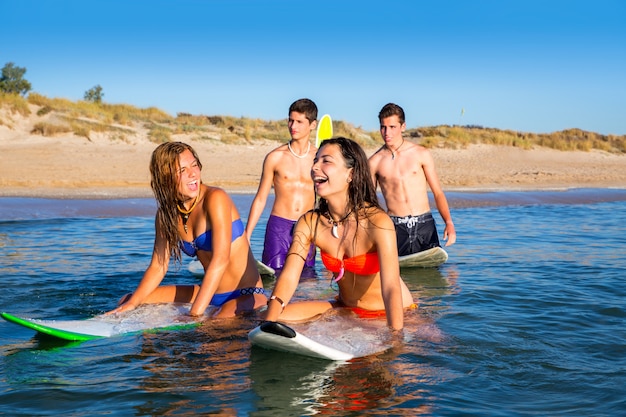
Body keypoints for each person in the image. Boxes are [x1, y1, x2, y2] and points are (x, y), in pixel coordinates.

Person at [264, 137, 415, 331]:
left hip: (394, 312)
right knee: (277, 317)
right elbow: (289, 276)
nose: (315, 167)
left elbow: (391, 287)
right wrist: (268, 323)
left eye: (326, 161)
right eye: (315, 160)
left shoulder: (377, 222)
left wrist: (395, 336)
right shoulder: (310, 222)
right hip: (346, 309)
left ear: (350, 174)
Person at [107, 142, 267, 317]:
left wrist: (194, 313)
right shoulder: (166, 216)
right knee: (128, 300)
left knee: (216, 322)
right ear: (166, 177)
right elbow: (158, 266)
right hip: (209, 293)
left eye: (194, 165)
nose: (193, 174)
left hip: (246, 294)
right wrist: (132, 304)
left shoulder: (215, 198)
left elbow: (221, 259)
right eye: (182, 170)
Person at [369, 103, 456, 257]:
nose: (387, 132)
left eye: (392, 127)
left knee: (431, 275)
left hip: (425, 225)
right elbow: (368, 201)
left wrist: (448, 223)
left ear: (403, 127)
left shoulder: (420, 154)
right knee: (397, 276)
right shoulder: (375, 162)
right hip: (395, 227)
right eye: (383, 127)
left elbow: (437, 193)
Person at [245, 98, 318, 271]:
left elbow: (329, 197)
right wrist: (247, 234)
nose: (293, 126)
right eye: (291, 120)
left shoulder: (319, 158)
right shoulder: (275, 157)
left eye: (300, 122)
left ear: (313, 125)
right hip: (279, 226)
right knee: (273, 276)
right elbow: (261, 198)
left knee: (306, 277)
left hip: (308, 225)